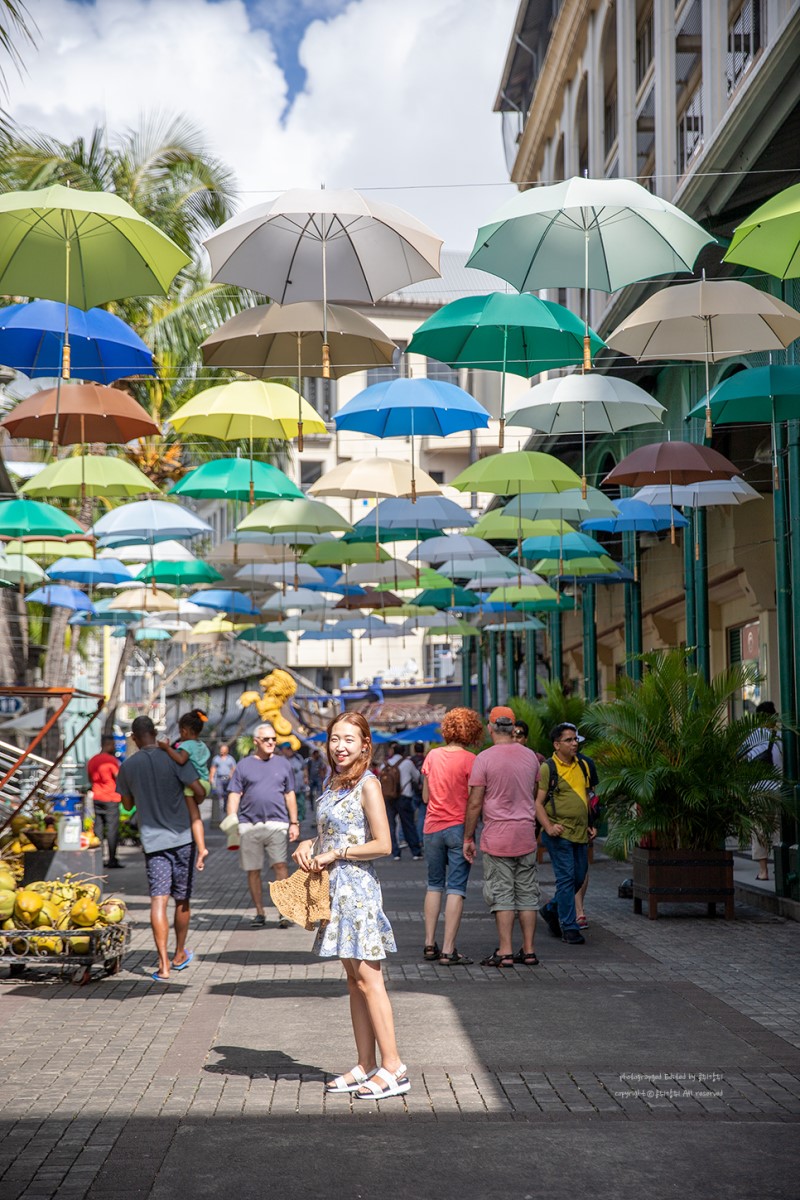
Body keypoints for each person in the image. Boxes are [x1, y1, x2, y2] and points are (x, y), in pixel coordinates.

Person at [293, 712, 409, 1100]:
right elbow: (329, 832)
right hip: (334, 890)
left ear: (365, 745)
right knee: (354, 980)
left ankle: (393, 1067)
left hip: (357, 890)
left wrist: (337, 852)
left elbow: (383, 844)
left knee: (370, 980)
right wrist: (310, 845)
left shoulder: (368, 784)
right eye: (334, 739)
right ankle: (365, 1064)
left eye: (348, 739)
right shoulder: (332, 782)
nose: (339, 747)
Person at [115, 716, 208, 982]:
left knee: (158, 900)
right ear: (155, 734)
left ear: (134, 737)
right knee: (182, 899)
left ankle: (163, 965)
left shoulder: (129, 766)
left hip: (153, 843)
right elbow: (199, 792)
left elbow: (128, 804)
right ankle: (179, 953)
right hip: (182, 840)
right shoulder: (175, 758)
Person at [463, 706, 541, 967]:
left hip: (497, 837)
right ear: (514, 726)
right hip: (526, 835)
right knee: (528, 895)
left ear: (491, 727)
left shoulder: (484, 759)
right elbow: (534, 790)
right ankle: (528, 950)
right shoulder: (531, 757)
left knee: (503, 895)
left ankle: (505, 951)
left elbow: (475, 803)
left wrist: (468, 837)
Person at [421, 707, 484, 966]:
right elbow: (474, 800)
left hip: (432, 827)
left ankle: (428, 944)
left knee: (434, 884)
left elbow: (425, 797)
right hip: (459, 828)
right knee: (456, 888)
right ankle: (448, 950)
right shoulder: (472, 760)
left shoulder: (432, 756)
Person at [226, 723, 299, 927]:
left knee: (281, 865)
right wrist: (232, 820)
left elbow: (290, 794)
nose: (271, 742)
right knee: (253, 869)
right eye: (266, 739)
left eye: (273, 739)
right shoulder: (244, 765)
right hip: (249, 825)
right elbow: (234, 794)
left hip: (277, 823)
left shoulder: (284, 764)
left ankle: (284, 912)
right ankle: (259, 912)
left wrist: (294, 822)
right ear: (256, 741)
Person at [535, 723, 597, 946]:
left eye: (575, 739)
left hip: (581, 832)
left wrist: (591, 822)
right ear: (557, 744)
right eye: (569, 740)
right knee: (566, 878)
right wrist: (549, 827)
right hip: (559, 834)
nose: (574, 743)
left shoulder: (584, 766)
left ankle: (551, 909)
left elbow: (587, 797)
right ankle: (569, 927)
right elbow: (538, 803)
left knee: (579, 877)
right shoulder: (548, 768)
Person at [746, 701, 783, 881]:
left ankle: (763, 871)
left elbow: (743, 760)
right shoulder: (782, 738)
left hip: (758, 791)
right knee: (777, 831)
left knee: (759, 830)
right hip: (777, 791)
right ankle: (779, 868)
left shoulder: (752, 737)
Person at [157, 710, 211, 800]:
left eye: (180, 732)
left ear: (184, 731)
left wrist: (167, 748)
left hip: (196, 783)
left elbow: (181, 760)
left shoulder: (187, 745)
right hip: (206, 782)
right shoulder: (202, 745)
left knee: (193, 811)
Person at [87, 735, 123, 869]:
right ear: (107, 745)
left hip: (97, 797)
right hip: (111, 797)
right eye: (113, 744)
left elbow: (91, 778)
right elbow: (118, 776)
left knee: (99, 828)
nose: (114, 747)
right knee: (112, 829)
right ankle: (112, 859)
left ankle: (98, 857)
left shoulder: (92, 760)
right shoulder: (111, 760)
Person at [383, 746, 423, 860]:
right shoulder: (408, 763)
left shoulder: (386, 764)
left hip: (389, 797)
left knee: (391, 825)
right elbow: (417, 776)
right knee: (408, 824)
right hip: (404, 796)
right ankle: (415, 852)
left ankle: (395, 852)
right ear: (403, 752)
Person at [280, 741, 309, 822]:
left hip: (300, 786)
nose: (290, 750)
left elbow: (304, 767)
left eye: (290, 748)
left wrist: (306, 777)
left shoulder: (298, 757)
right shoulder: (281, 760)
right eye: (287, 749)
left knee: (301, 805)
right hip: (288, 788)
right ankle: (291, 819)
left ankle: (299, 820)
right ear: (283, 750)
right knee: (289, 805)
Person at [209, 743, 237, 822]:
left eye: (223, 750)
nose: (221, 751)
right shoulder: (216, 759)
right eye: (221, 750)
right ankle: (221, 808)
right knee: (219, 792)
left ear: (226, 751)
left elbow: (233, 768)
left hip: (228, 778)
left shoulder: (230, 759)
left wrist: (232, 777)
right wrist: (211, 778)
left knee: (227, 794)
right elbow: (213, 768)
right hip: (219, 778)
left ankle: (225, 807)